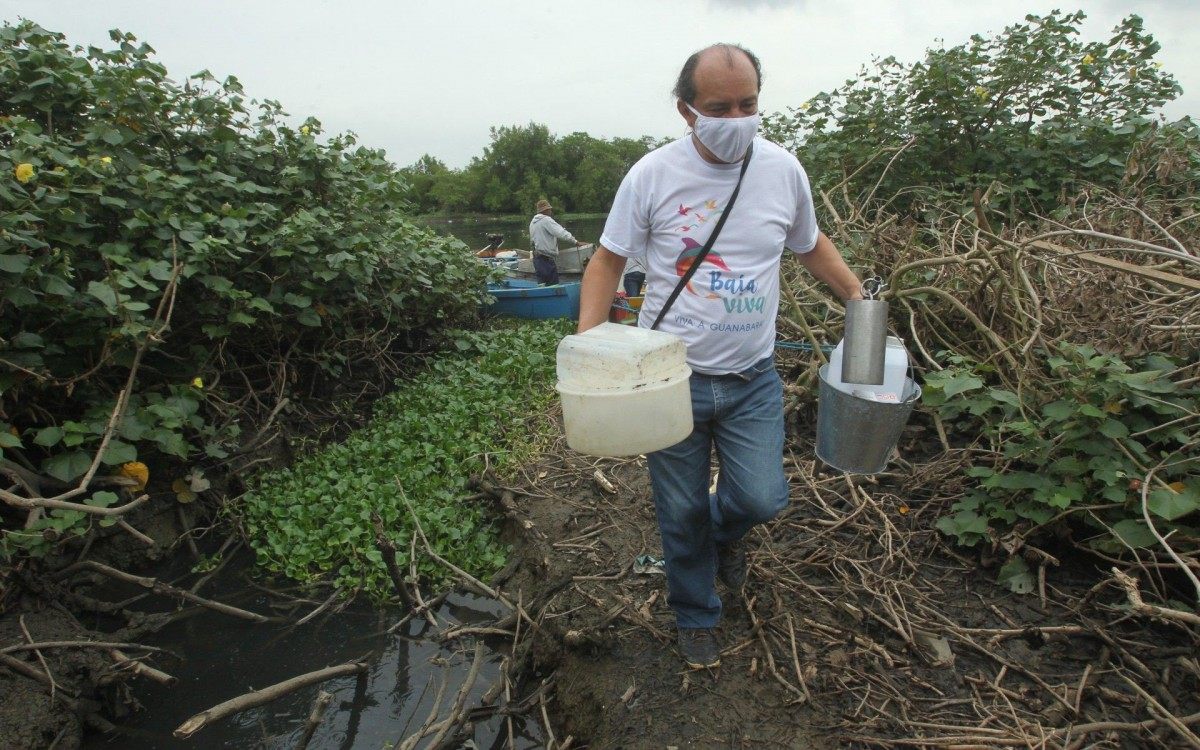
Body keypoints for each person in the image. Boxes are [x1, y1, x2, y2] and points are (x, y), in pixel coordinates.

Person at [576, 43, 864, 669]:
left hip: (752, 377)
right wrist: (586, 346)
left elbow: (810, 244)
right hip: (666, 377)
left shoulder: (784, 170)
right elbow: (606, 259)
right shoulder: (650, 175)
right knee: (678, 510)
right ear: (686, 111)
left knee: (762, 498)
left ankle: (724, 534)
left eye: (748, 104)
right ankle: (696, 611)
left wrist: (857, 296)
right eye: (719, 107)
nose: (736, 118)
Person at [529, 199, 587, 285]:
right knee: (553, 285)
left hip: (537, 259)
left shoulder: (532, 222)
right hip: (546, 260)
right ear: (546, 210)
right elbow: (561, 233)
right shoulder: (546, 220)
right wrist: (576, 242)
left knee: (542, 285)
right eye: (549, 209)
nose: (551, 211)